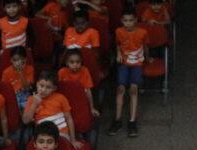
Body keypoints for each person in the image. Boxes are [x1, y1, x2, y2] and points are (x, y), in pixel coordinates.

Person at [108, 8, 150, 138]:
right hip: (124, 63)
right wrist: (118, 53)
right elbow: (118, 44)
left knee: (133, 90)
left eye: (131, 20)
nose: (128, 23)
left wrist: (148, 58)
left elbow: (146, 47)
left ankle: (132, 121)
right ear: (122, 21)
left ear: (135, 20)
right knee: (120, 90)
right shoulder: (118, 31)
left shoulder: (142, 32)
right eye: (125, 20)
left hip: (137, 63)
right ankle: (117, 120)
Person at [23, 69, 83, 149]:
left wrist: (73, 140)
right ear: (37, 84)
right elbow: (25, 121)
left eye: (48, 87)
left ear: (54, 88)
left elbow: (69, 118)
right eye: (41, 86)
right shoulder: (31, 99)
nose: (43, 90)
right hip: (42, 134)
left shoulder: (61, 98)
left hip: (61, 135)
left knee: (56, 146)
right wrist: (34, 104)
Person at [58, 48, 99, 117]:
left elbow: (88, 91)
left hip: (80, 100)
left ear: (81, 62)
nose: (75, 65)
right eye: (72, 62)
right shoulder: (61, 72)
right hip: (66, 100)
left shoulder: (85, 70)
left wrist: (92, 108)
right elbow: (59, 91)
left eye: (78, 62)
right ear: (67, 63)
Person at [1, 45, 34, 111]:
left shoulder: (30, 69)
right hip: (12, 96)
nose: (18, 62)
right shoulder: (6, 72)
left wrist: (20, 72)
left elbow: (26, 88)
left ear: (25, 59)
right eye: (15, 60)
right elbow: (4, 89)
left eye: (21, 59)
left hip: (25, 95)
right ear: (11, 60)